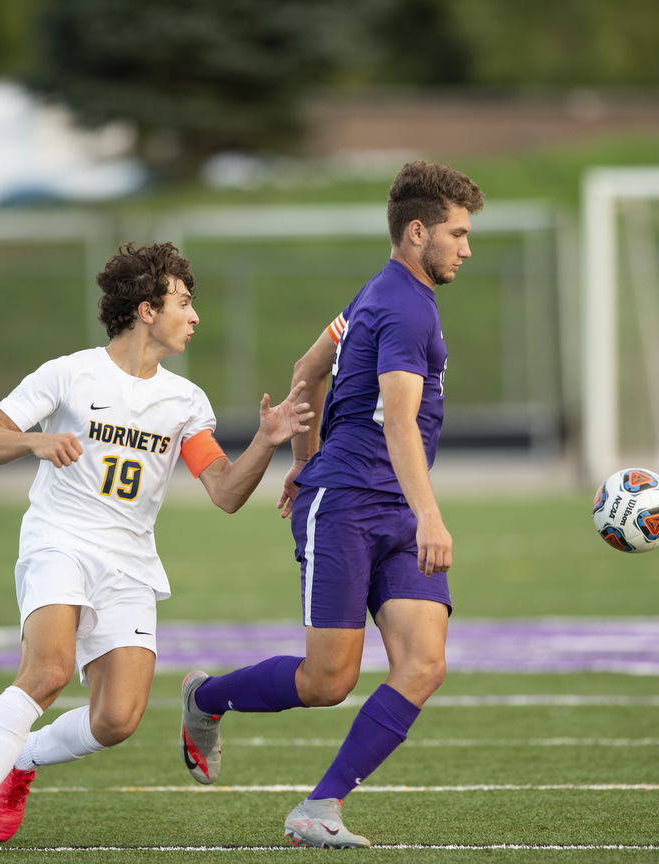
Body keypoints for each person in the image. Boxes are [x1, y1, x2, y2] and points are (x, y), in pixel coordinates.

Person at [0, 242, 312, 854]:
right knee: (48, 670)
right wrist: (35, 443)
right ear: (144, 309)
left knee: (118, 720)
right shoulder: (69, 373)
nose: (194, 316)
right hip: (59, 541)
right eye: (183, 303)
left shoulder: (185, 402)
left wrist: (266, 443)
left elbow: (225, 492)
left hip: (129, 563)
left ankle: (19, 759)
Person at [178, 161, 483, 848]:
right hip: (349, 506)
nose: (466, 248)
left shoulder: (379, 294)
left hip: (391, 509)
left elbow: (305, 370)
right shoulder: (403, 305)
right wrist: (425, 512)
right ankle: (206, 696)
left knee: (424, 664)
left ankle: (321, 806)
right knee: (327, 681)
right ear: (417, 232)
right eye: (458, 233)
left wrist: (303, 459)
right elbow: (399, 422)